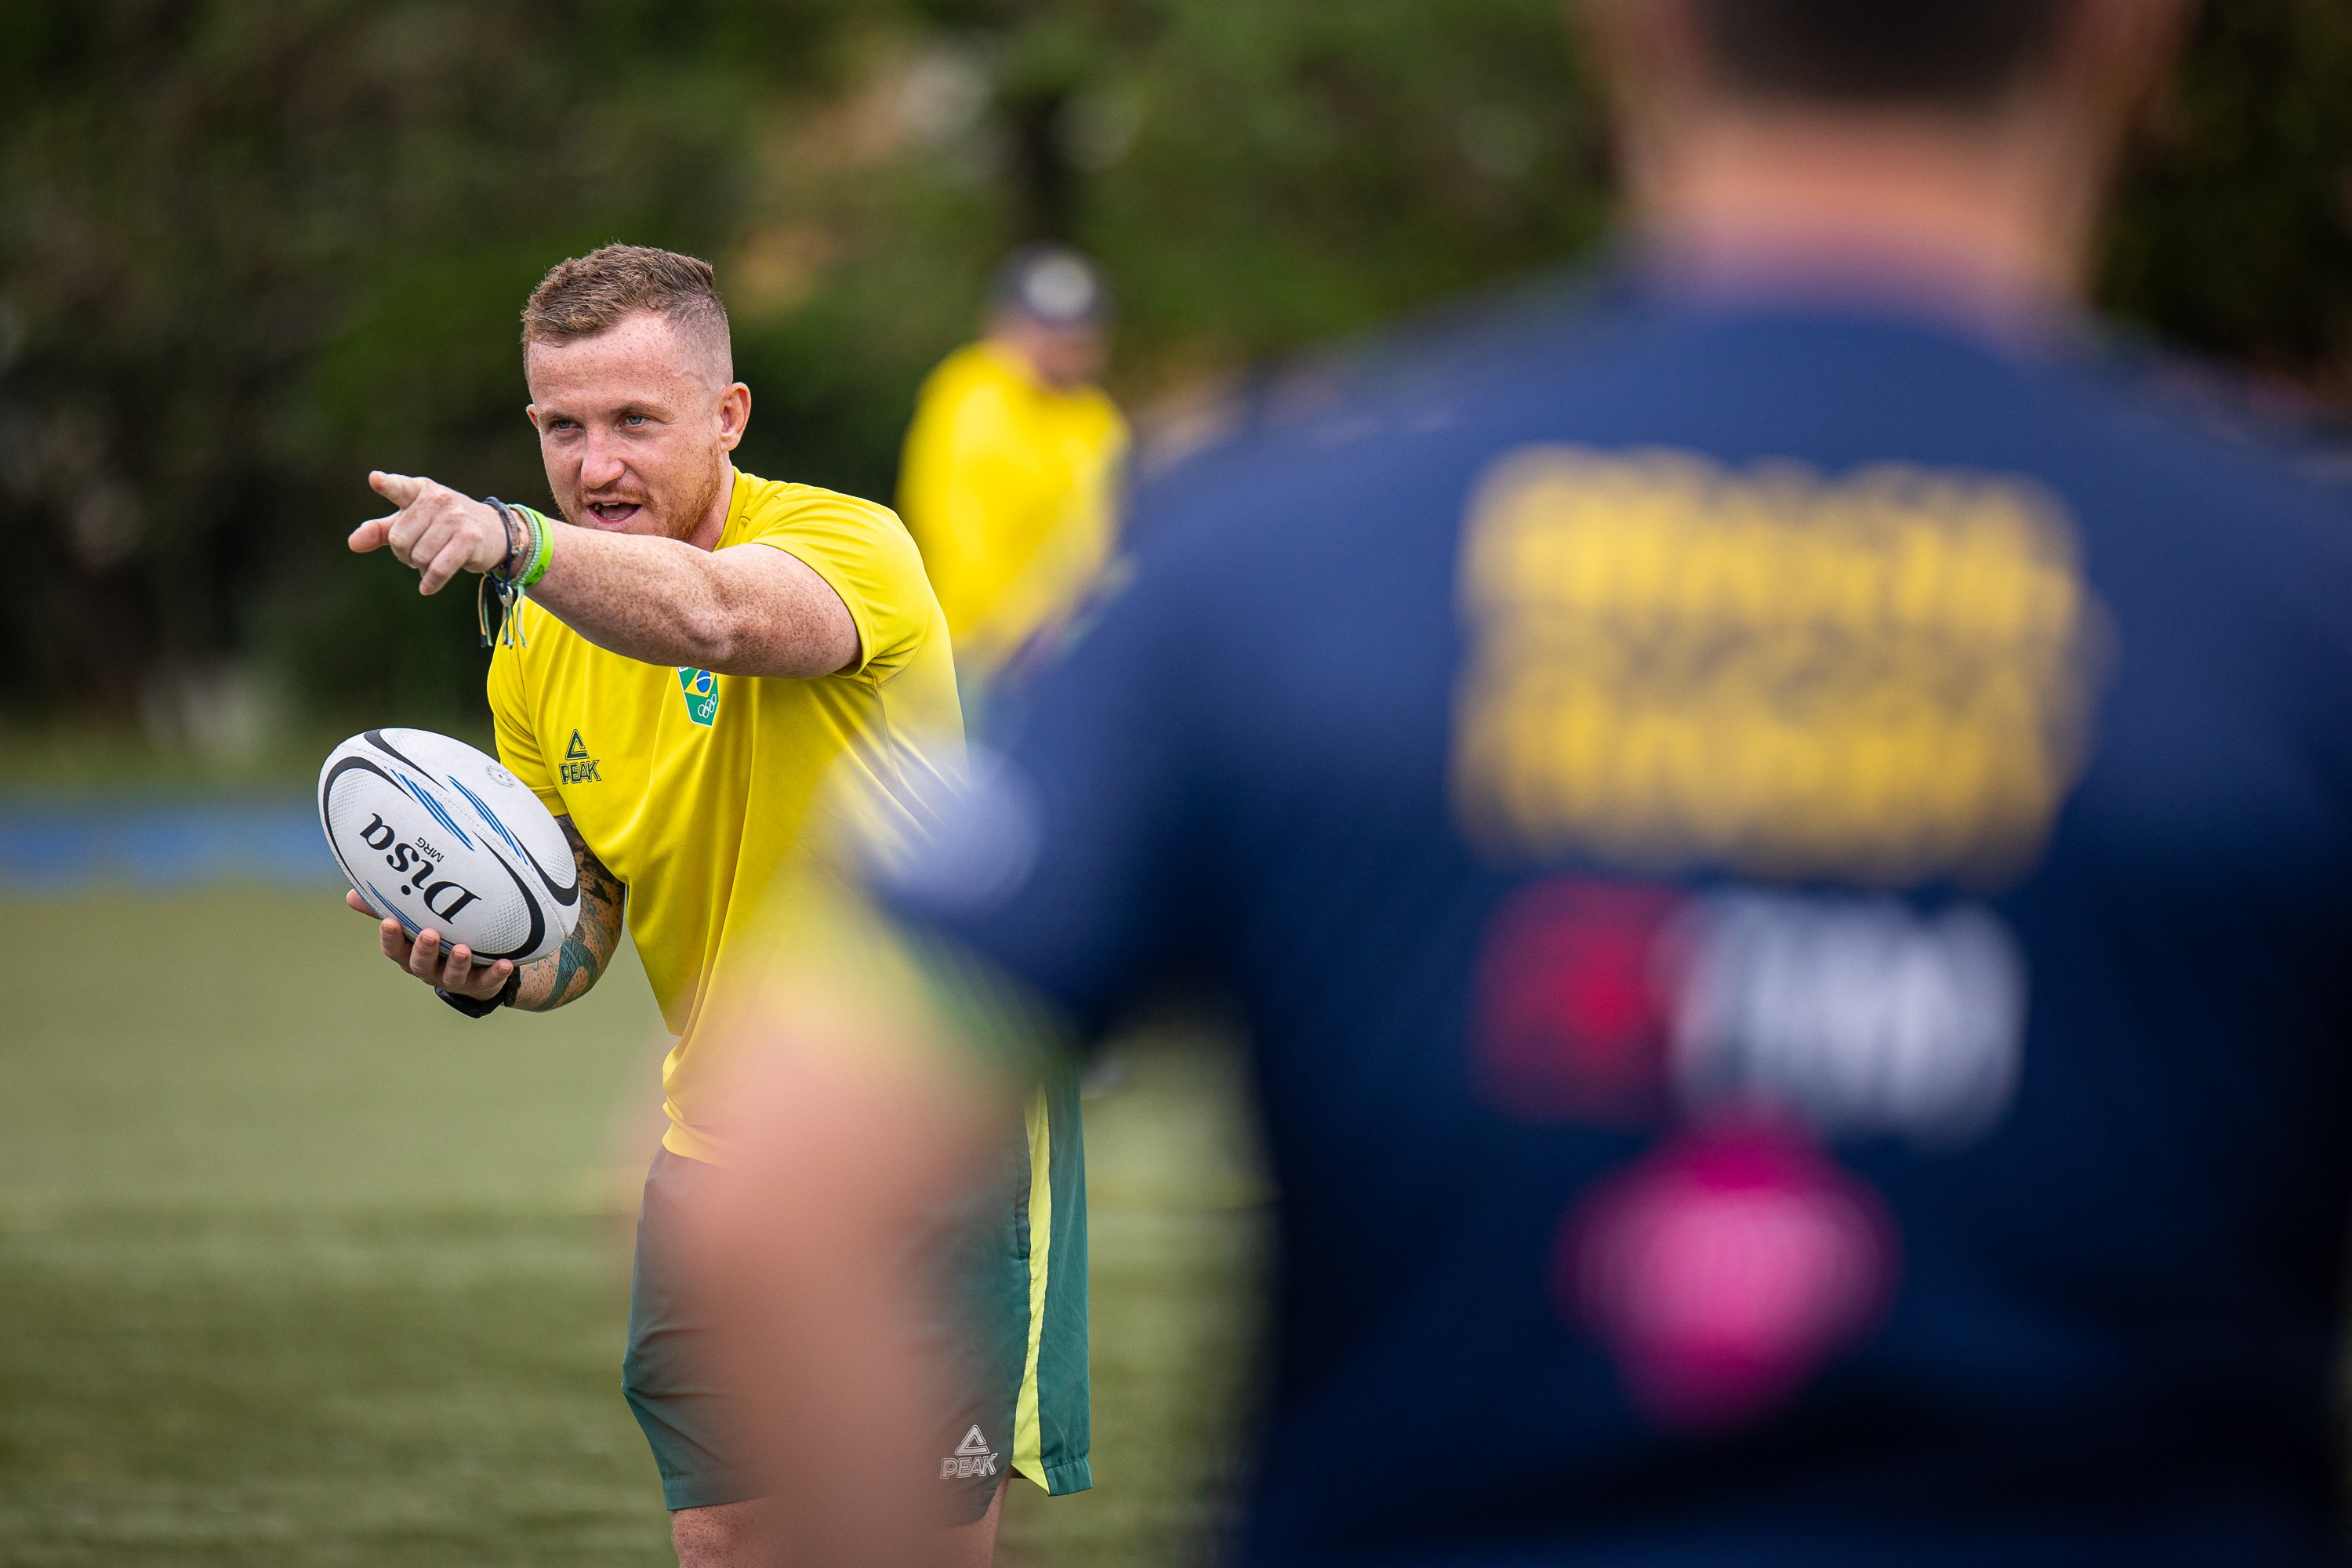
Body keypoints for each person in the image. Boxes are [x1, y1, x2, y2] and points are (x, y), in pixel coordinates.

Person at [712, 1, 2352, 1563]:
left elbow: (787, 1193)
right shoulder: (2298, 591)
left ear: (1628, 26)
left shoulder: (1276, 547)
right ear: (2134, 32)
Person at [342, 243, 1088, 1566]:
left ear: (727, 415)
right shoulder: (533, 641)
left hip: (928, 1136)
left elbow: (722, 621)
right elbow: (582, 924)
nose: (596, 463)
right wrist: (487, 966)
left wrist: (516, 535)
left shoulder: (850, 545)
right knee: (728, 1539)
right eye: (563, 429)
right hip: (716, 1144)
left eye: (636, 421)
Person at [898, 245, 1129, 701]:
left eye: (1079, 331)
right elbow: (954, 528)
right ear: (1004, 324)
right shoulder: (970, 394)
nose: (1064, 343)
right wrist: (1013, 632)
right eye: (1045, 328)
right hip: (982, 654)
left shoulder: (1097, 418)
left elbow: (1114, 531)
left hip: (1073, 646)